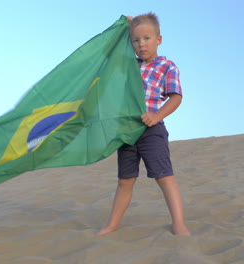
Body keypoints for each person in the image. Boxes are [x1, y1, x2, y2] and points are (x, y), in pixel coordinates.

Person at [95, 13, 190, 236]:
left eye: (147, 38)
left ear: (159, 39)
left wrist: (156, 116)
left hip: (151, 131)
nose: (141, 44)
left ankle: (179, 223)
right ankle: (112, 225)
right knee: (125, 181)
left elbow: (176, 97)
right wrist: (121, 29)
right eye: (136, 40)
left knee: (164, 177)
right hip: (127, 132)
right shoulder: (128, 66)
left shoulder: (166, 66)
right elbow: (106, 57)